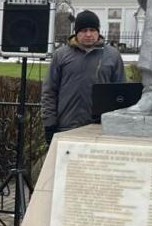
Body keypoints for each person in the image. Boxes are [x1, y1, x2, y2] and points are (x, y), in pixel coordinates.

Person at [41, 11, 125, 143]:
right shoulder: (61, 55)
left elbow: (121, 93)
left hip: (101, 129)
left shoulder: (113, 56)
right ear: (76, 32)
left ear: (98, 31)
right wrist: (49, 123)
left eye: (92, 30)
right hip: (67, 127)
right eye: (84, 30)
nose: (88, 34)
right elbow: (49, 91)